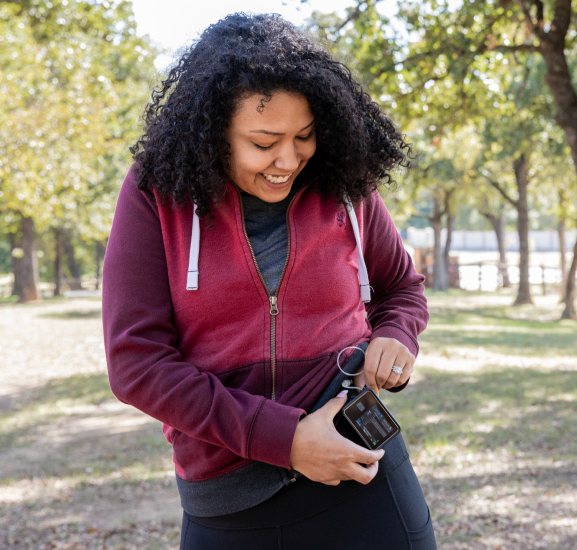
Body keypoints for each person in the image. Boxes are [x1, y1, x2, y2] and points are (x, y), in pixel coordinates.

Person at [101, 12, 436, 550]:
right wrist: (288, 440)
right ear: (213, 133)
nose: (288, 159)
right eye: (263, 142)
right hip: (228, 496)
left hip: (361, 474)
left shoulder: (344, 184)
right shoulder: (155, 194)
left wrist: (397, 334)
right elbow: (136, 364)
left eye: (304, 136)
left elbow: (401, 286)